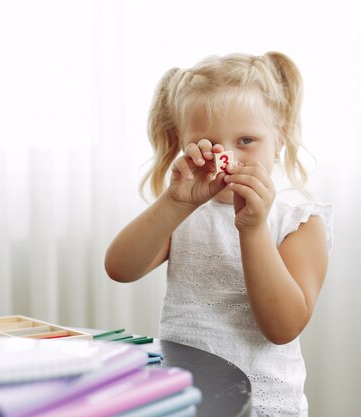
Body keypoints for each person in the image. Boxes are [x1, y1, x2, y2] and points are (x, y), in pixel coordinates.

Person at [105, 51, 333, 417]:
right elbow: (120, 268)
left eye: (246, 140)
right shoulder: (183, 213)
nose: (227, 157)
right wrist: (175, 202)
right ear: (183, 143)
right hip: (186, 399)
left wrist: (253, 229)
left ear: (280, 138)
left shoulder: (300, 222)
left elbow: (283, 328)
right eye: (208, 144)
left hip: (263, 403)